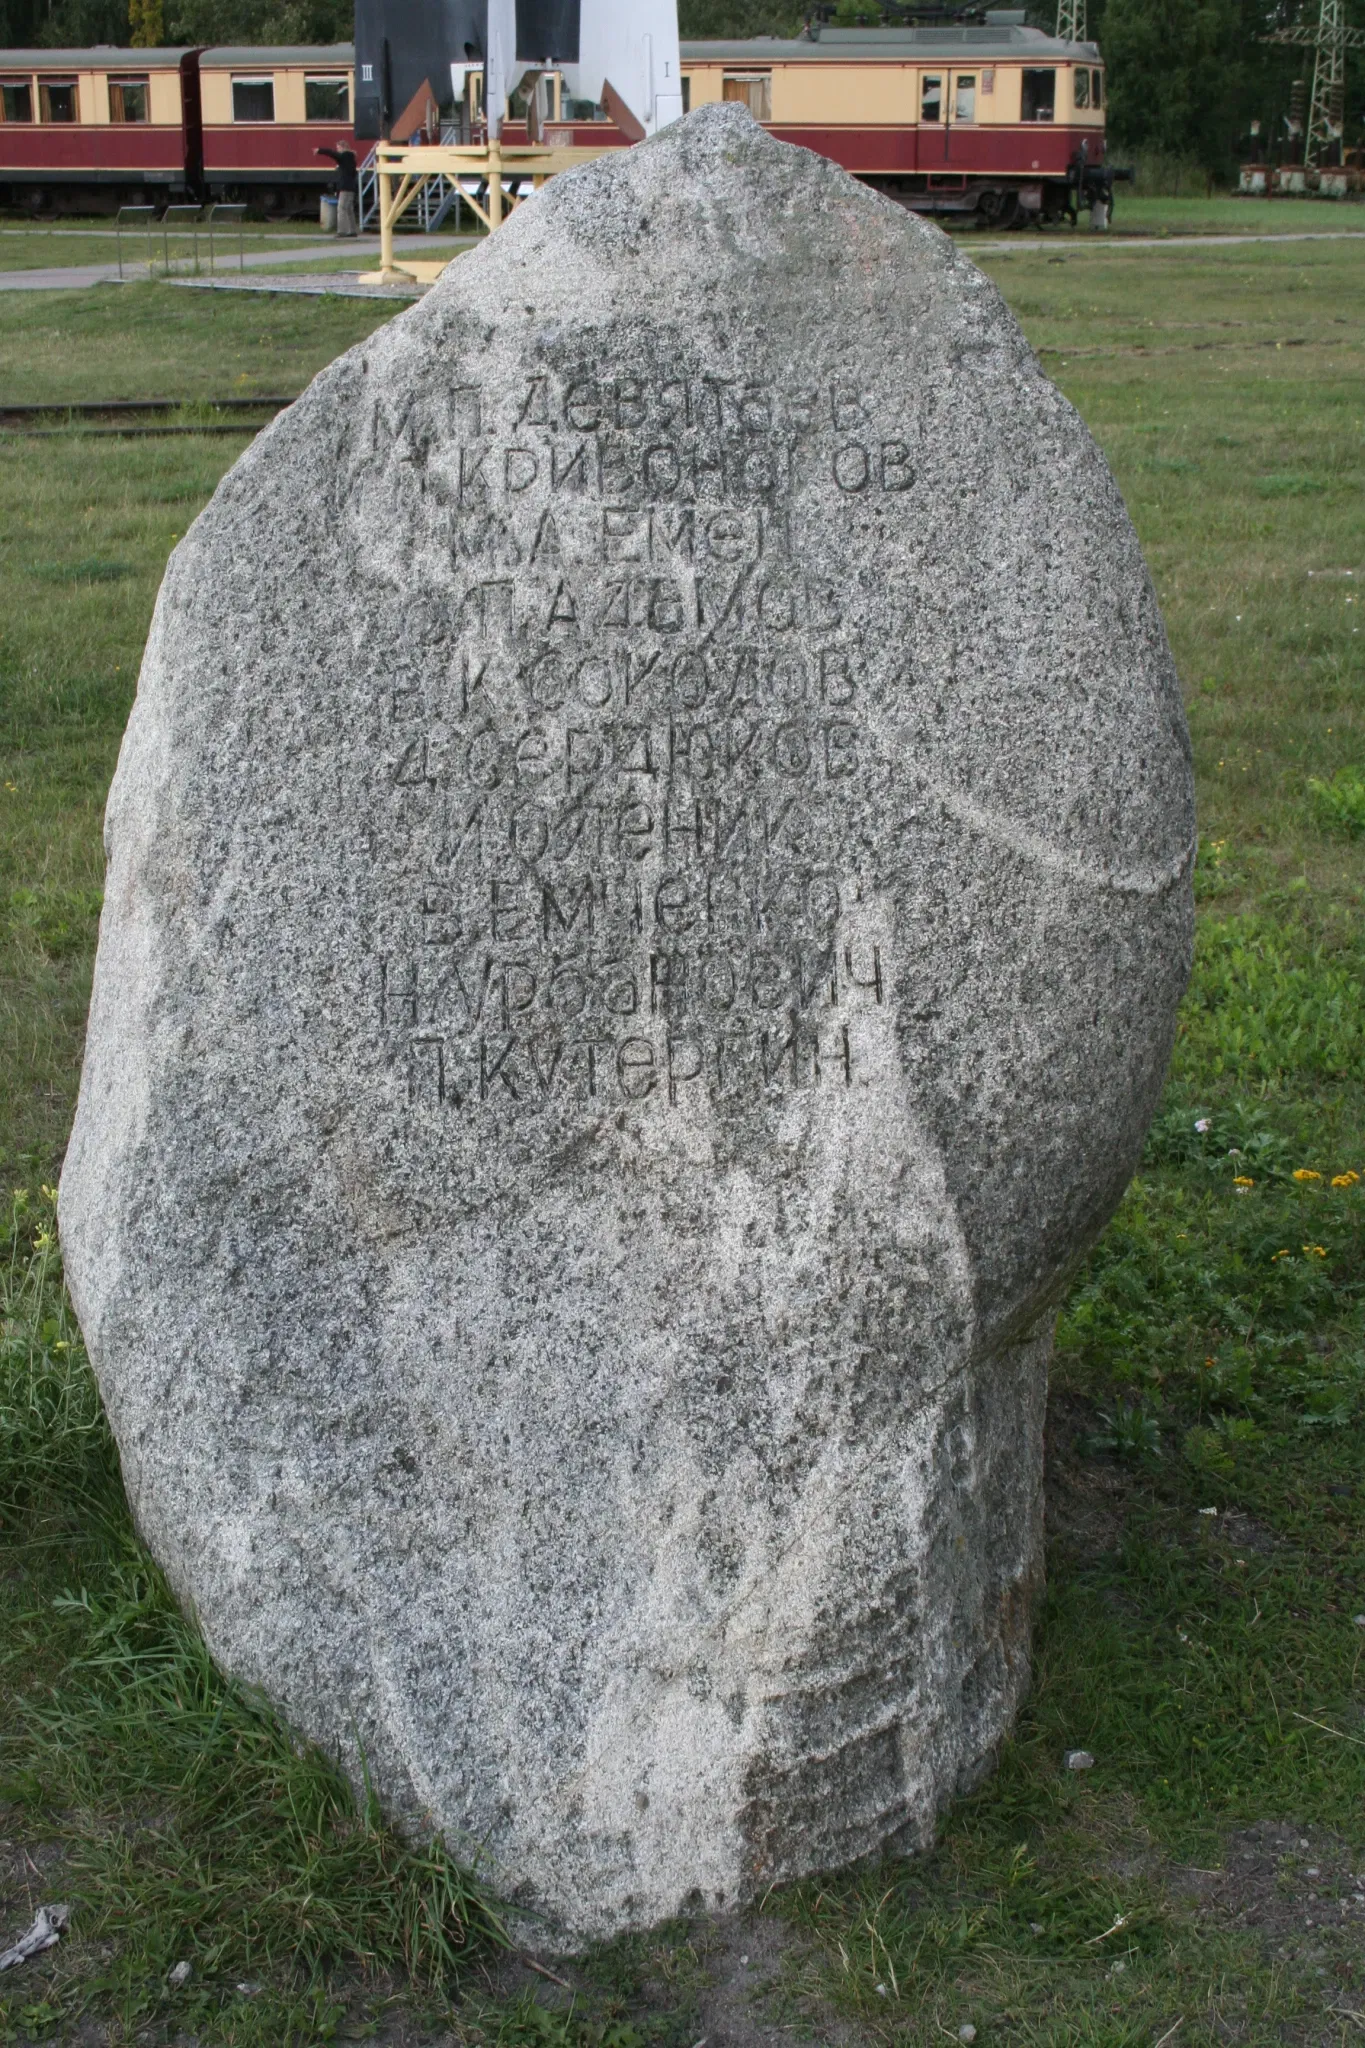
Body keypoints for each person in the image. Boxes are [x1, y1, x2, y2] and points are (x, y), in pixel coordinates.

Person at [316, 141, 358, 237]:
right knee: (349, 208)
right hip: (351, 187)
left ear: (343, 147)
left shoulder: (344, 157)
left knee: (341, 208)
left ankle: (342, 231)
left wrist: (319, 150)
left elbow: (332, 153)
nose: (337, 150)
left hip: (345, 187)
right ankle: (352, 230)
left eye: (338, 148)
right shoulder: (351, 158)